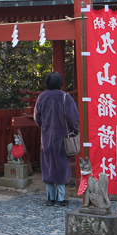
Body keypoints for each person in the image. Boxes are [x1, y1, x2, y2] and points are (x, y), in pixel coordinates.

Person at [34, 72, 80, 207]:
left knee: (48, 166)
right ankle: (60, 199)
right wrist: (75, 130)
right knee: (61, 167)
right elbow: (73, 118)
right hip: (62, 138)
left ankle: (50, 198)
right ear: (61, 83)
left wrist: (45, 127)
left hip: (46, 138)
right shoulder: (66, 97)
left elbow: (37, 118)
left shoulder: (42, 97)